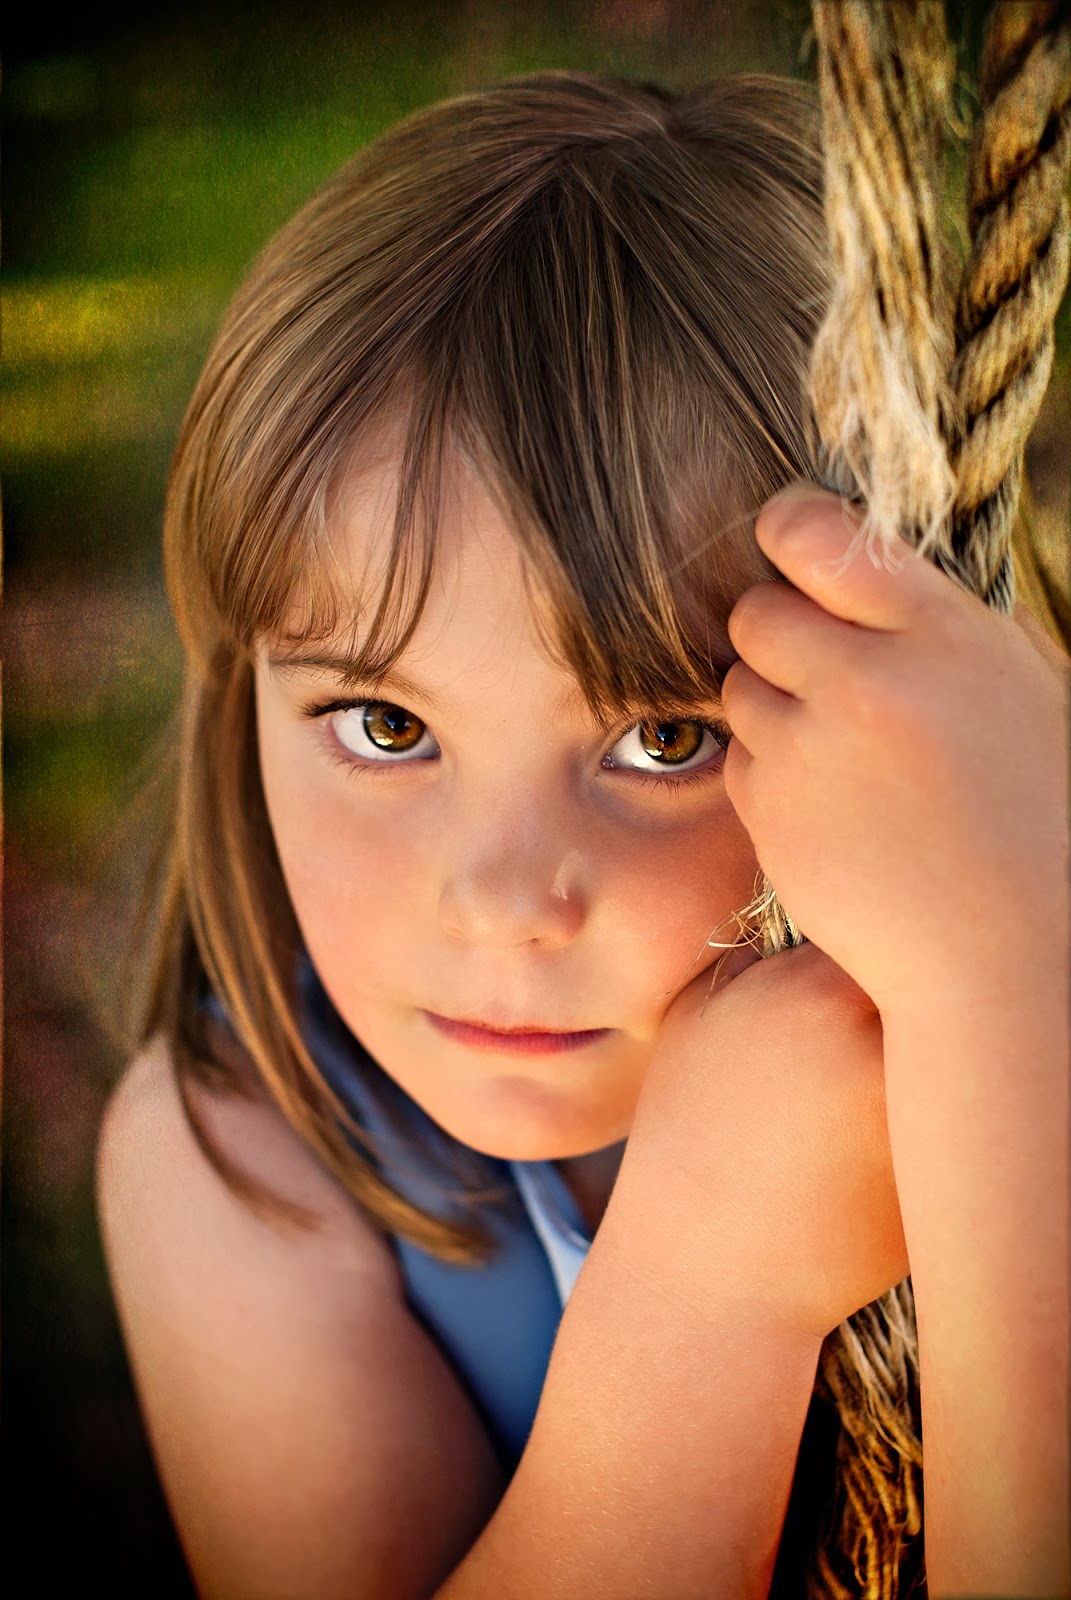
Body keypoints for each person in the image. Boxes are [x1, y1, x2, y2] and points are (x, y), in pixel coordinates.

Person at [96, 71, 1070, 1598]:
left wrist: (1004, 1009)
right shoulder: (244, 1163)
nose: (501, 903)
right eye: (384, 727)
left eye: (663, 739)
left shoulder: (1026, 1009)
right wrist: (704, 1285)